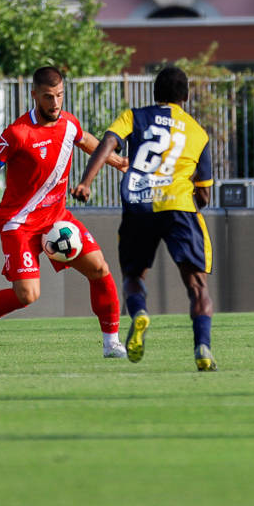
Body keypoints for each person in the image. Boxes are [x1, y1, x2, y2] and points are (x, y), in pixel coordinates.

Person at [0, 66, 130, 358]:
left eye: (60, 95)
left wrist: (118, 161)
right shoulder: (17, 133)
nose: (56, 103)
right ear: (34, 95)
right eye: (49, 97)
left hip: (56, 218)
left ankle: (111, 343)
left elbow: (86, 140)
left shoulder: (68, 123)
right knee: (28, 295)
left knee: (100, 269)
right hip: (19, 222)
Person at [74, 65, 218, 371]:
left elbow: (109, 143)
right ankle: (202, 346)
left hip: (138, 204)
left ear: (155, 94)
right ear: (187, 96)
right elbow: (204, 195)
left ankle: (139, 313)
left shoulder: (134, 116)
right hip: (178, 206)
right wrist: (190, 204)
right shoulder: (197, 132)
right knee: (197, 286)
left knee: (133, 277)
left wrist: (86, 182)